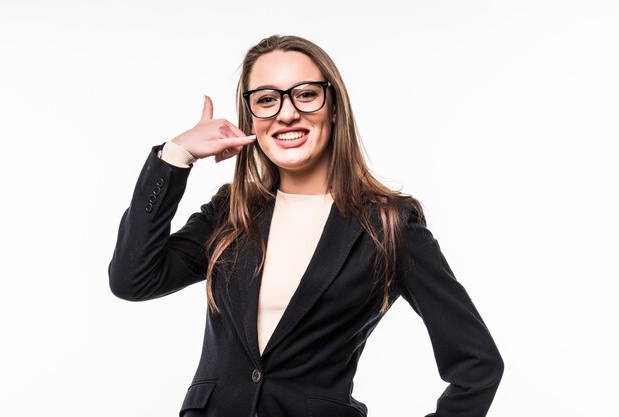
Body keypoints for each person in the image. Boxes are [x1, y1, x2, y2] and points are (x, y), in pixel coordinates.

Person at [108, 34, 504, 417]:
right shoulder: (232, 211)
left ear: (333, 105)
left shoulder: (389, 225)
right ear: (251, 118)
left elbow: (477, 365)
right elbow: (134, 279)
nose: (286, 112)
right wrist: (176, 156)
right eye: (266, 99)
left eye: (306, 94)